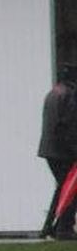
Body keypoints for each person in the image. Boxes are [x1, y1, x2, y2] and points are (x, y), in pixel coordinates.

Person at [38, 64, 77, 239]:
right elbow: (70, 125)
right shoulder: (70, 94)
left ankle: (50, 227)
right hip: (63, 151)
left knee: (62, 188)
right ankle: (64, 228)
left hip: (49, 149)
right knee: (72, 188)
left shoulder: (53, 93)